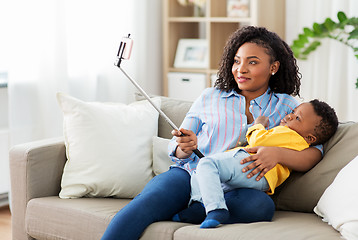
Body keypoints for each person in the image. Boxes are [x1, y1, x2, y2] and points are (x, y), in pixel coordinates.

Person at [101, 26, 323, 240]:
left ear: (273, 67)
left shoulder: (287, 108)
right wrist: (183, 147)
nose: (241, 69)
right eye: (237, 61)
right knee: (146, 203)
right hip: (190, 175)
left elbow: (314, 152)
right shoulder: (210, 96)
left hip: (239, 187)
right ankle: (189, 207)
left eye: (252, 62)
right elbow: (176, 144)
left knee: (261, 206)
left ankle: (196, 210)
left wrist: (278, 154)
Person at [187, 99, 338, 228]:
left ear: (310, 138)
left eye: (298, 118)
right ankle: (201, 208)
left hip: (251, 165)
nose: (290, 116)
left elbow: (259, 140)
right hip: (259, 177)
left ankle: (214, 209)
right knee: (200, 174)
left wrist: (258, 124)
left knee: (206, 164)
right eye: (293, 111)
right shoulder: (296, 142)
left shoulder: (291, 136)